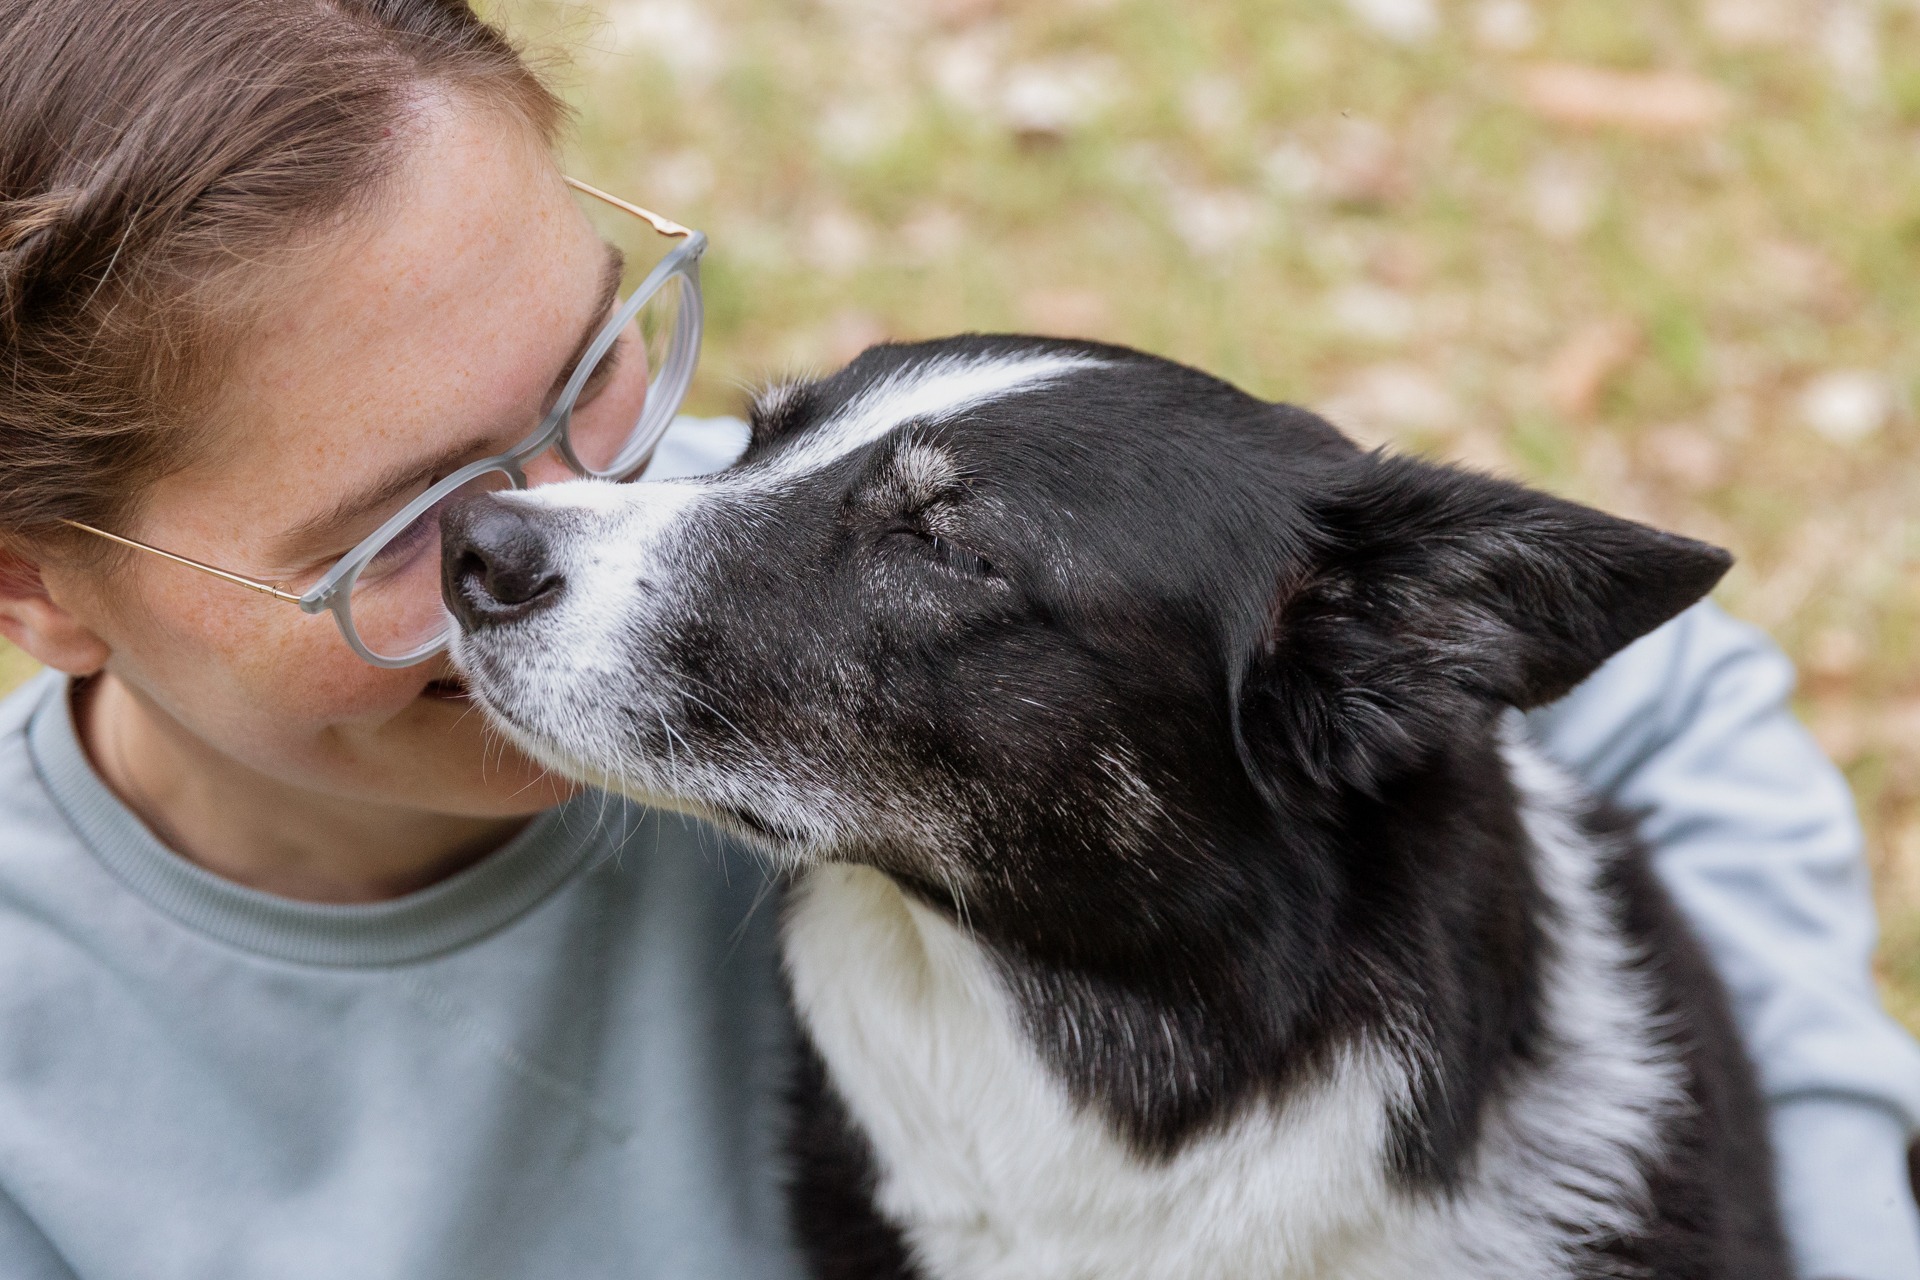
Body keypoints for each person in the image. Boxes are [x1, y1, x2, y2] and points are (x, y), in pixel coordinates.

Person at [0, 2, 1913, 1277]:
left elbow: (1665, 687)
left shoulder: (783, 552)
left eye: (600, 358)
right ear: (35, 589)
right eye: (397, 529)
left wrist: (1828, 1197)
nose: (569, 513)